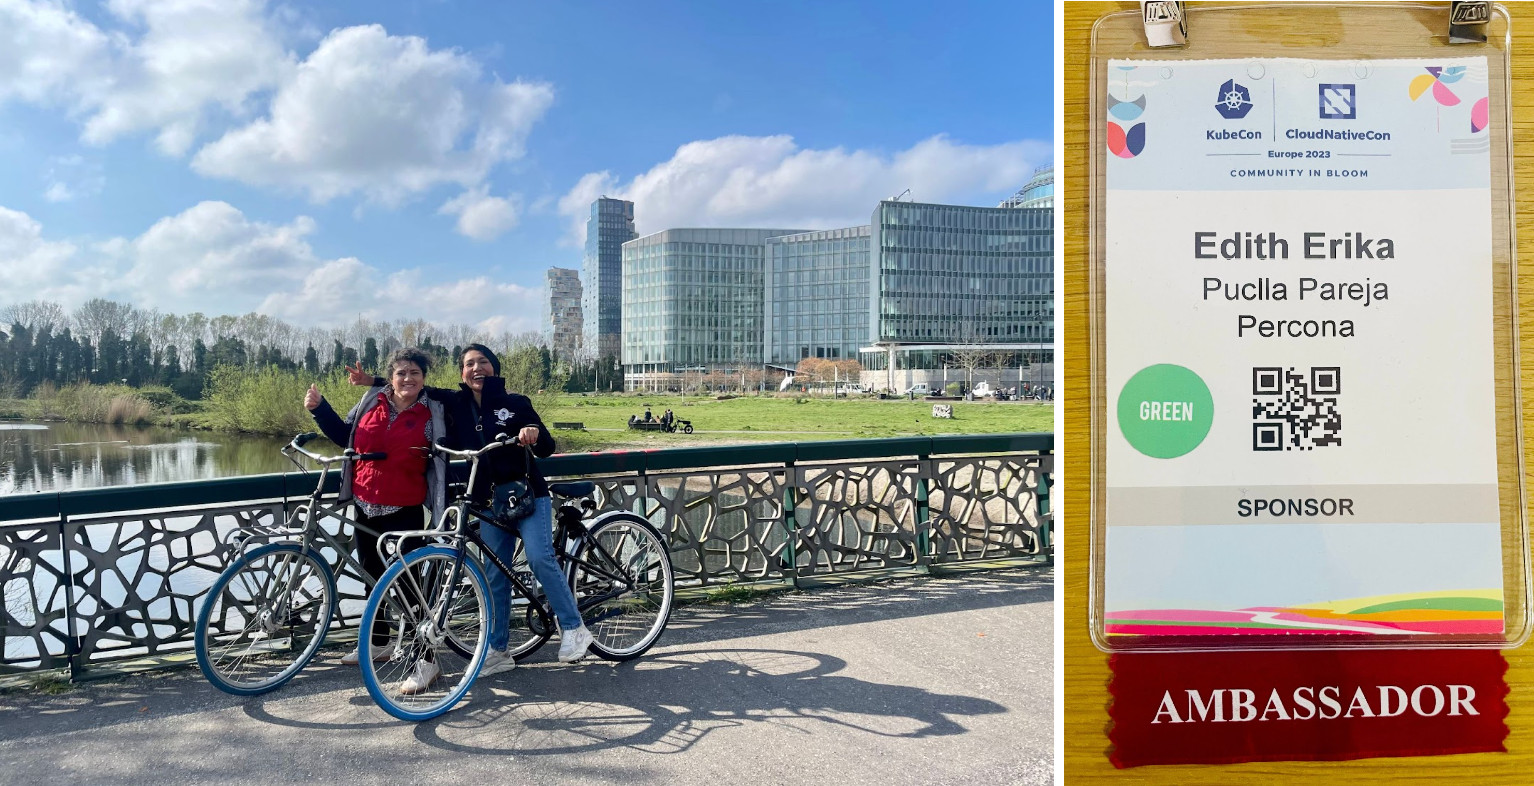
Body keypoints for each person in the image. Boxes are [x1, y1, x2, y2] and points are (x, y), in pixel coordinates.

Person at [352, 344, 594, 681]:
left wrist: (533, 434)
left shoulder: (516, 403)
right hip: (488, 500)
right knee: (495, 576)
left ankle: (574, 628)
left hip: (526, 495)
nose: (476, 368)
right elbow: (413, 384)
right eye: (469, 364)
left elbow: (547, 447)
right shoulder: (456, 403)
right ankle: (498, 650)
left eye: (483, 362)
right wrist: (371, 381)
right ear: (461, 372)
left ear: (494, 367)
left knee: (540, 558)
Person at [305, 348, 447, 688]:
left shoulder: (434, 411)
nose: (407, 379)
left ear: (424, 378)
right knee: (372, 577)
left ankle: (426, 661)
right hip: (365, 503)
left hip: (405, 508)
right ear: (391, 376)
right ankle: (379, 642)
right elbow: (344, 436)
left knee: (409, 588)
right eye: (401, 373)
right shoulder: (372, 399)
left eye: (415, 372)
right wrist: (319, 409)